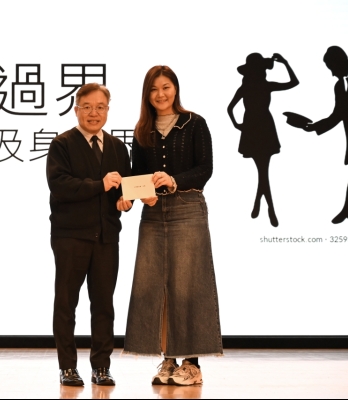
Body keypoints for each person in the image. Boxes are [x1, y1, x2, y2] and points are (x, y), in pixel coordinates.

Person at [124, 66, 223, 386]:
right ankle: (168, 359)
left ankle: (191, 364)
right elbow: (137, 174)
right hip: (153, 214)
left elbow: (205, 169)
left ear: (175, 89)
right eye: (154, 89)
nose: (160, 94)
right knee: (155, 287)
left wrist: (173, 180)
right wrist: (136, 195)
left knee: (189, 286)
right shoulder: (142, 130)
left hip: (188, 209)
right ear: (147, 94)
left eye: (166, 87)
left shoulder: (194, 123)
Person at [46, 83, 132, 386]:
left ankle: (101, 367)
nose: (94, 113)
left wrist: (126, 201)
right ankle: (67, 367)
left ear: (107, 110)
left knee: (104, 304)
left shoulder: (118, 148)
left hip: (107, 237)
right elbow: (60, 186)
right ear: (76, 109)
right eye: (87, 107)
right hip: (70, 236)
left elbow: (124, 190)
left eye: (100, 107)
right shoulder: (62, 144)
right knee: (66, 303)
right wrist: (100, 185)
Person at [227, 53, 299, 227]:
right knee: (263, 171)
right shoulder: (262, 86)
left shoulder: (252, 87)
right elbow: (293, 82)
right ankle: (269, 209)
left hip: (257, 127)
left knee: (262, 171)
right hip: (260, 127)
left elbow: (230, 108)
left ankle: (260, 203)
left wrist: (237, 124)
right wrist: (285, 63)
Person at [304, 46, 348, 224]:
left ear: (340, 62)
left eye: (332, 68)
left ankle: (347, 209)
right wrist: (314, 127)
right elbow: (337, 115)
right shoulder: (339, 86)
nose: (332, 74)